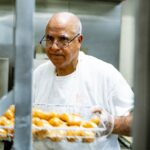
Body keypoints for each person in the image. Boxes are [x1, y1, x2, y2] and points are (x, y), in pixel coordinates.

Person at [33, 12, 134, 150]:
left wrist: (112, 124)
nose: (54, 47)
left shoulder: (104, 74)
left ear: (79, 41)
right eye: (50, 39)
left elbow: (139, 124)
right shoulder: (38, 75)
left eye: (63, 39)